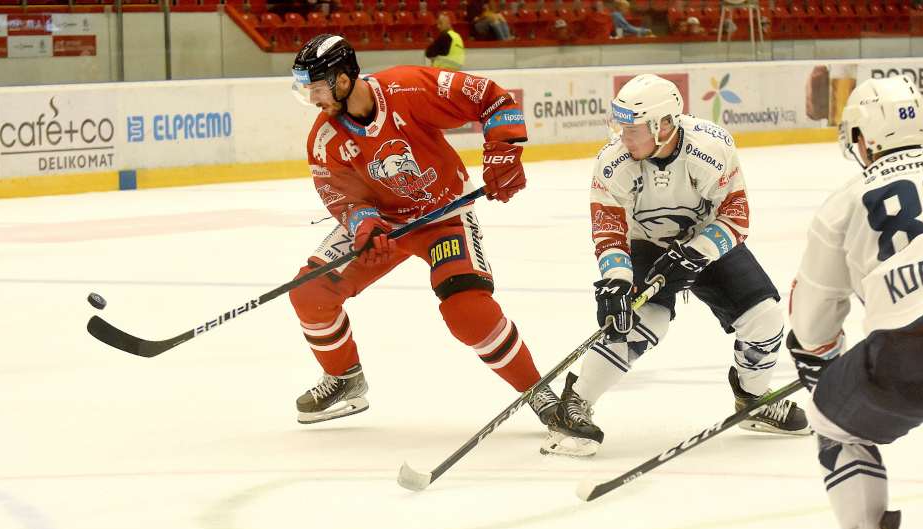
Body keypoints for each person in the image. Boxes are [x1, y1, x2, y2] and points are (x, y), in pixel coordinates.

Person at [288, 34, 559, 426]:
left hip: (442, 217)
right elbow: (338, 194)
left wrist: (504, 151)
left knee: (467, 312)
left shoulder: (409, 86)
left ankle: (541, 393)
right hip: (385, 225)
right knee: (309, 292)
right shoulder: (325, 137)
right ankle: (344, 376)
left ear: (342, 81)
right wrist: (363, 225)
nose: (312, 100)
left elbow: (493, 98)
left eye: (315, 89)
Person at [540, 74, 809, 458]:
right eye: (620, 127)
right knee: (644, 319)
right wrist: (616, 280)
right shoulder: (613, 162)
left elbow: (736, 213)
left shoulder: (711, 147)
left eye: (632, 129)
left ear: (663, 124)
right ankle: (575, 403)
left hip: (705, 237)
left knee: (765, 316)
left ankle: (753, 399)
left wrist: (698, 251)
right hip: (645, 243)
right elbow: (610, 229)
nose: (623, 137)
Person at [788, 75, 923, 529]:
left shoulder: (845, 202)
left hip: (913, 351)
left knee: (834, 427)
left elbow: (811, 330)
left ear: (864, 138)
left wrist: (824, 370)